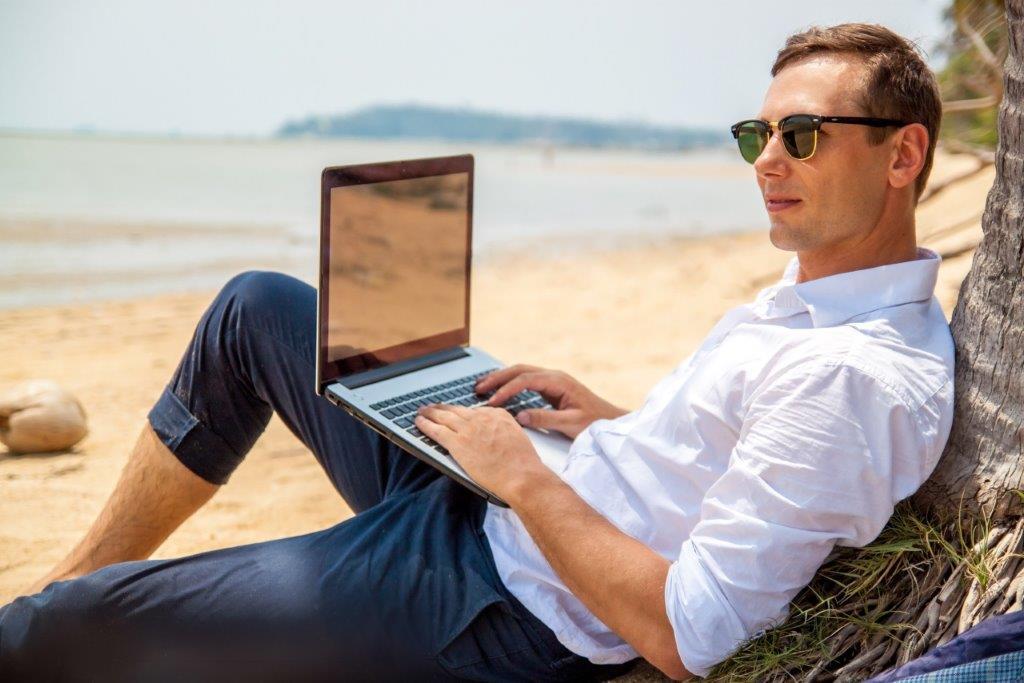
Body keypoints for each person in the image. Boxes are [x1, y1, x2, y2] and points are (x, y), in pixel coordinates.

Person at [0, 22, 953, 681]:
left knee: (73, 633)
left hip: (492, 602)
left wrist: (526, 481)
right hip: (511, 507)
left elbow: (687, 633)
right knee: (256, 309)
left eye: (802, 136)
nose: (765, 160)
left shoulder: (851, 376)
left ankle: (58, 609)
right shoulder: (825, 298)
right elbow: (744, 458)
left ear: (902, 156)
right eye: (757, 132)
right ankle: (75, 568)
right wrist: (609, 421)